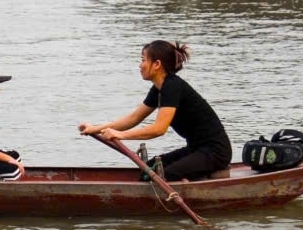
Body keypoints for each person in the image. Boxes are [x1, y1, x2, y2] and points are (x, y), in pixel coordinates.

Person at [78, 41, 231, 181]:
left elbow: (159, 129)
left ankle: (201, 179)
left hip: (215, 152)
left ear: (157, 64)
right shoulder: (158, 89)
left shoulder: (172, 87)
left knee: (160, 176)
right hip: (196, 149)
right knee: (148, 169)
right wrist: (95, 129)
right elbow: (133, 118)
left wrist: (121, 135)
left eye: (143, 60)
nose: (140, 65)